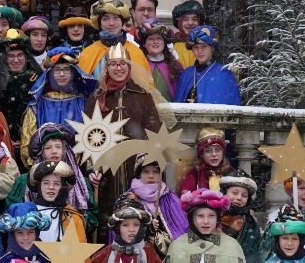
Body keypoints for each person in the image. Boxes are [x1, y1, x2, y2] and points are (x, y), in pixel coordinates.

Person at [85, 42, 165, 241]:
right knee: (106, 216)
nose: (118, 68)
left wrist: (148, 164)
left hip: (134, 166)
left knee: (135, 212)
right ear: (107, 67)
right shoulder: (96, 98)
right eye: (113, 64)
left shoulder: (142, 96)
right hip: (106, 171)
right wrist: (91, 168)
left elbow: (154, 132)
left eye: (123, 63)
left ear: (129, 67)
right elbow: (88, 137)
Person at [9, 123, 97, 231]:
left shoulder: (81, 182)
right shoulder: (23, 182)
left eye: (58, 146)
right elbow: (13, 213)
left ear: (65, 150)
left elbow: (91, 215)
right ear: (41, 151)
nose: (54, 151)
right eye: (48, 147)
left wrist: (73, 226)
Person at [20, 47, 96, 168]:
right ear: (50, 73)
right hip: (44, 174)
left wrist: (79, 167)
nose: (61, 74)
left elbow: (93, 140)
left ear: (73, 72)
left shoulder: (84, 103)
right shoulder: (37, 105)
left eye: (66, 70)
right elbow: (27, 144)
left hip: (77, 172)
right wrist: (40, 169)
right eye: (57, 70)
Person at [0, 29, 43, 157]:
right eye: (11, 56)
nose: (16, 60)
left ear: (26, 57)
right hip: (2, 143)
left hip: (33, 141)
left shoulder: (38, 80)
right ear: (4, 58)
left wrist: (26, 137)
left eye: (20, 55)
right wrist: (6, 138)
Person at [124, 156, 187, 250]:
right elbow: (121, 230)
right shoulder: (128, 198)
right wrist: (146, 228)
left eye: (155, 171)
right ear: (139, 174)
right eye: (145, 171)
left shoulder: (169, 197)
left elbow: (181, 234)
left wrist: (159, 242)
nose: (151, 176)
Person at [78, 0, 151, 76]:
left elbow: (147, 86)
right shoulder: (88, 53)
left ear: (122, 22)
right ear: (100, 23)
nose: (111, 23)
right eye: (105, 19)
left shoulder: (136, 52)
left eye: (116, 18)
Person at [173, 25, 241, 105]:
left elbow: (229, 108)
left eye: (204, 46)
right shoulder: (186, 73)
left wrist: (197, 104)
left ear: (212, 48)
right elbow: (177, 105)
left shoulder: (224, 73)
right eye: (195, 47)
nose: (200, 51)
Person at [27, 160, 87, 243]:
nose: (51, 187)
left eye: (56, 183)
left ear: (63, 187)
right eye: (46, 183)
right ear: (39, 185)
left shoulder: (72, 217)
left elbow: (80, 251)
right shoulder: (27, 213)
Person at [219, 169, 265, 263]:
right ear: (225, 192)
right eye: (234, 193)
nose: (239, 198)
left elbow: (251, 257)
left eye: (244, 195)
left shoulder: (250, 223)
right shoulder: (213, 216)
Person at [140, 18, 184, 101]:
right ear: (144, 43)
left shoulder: (175, 65)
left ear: (164, 42)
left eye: (159, 38)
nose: (155, 41)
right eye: (151, 38)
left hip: (171, 111)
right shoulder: (138, 63)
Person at [180, 127, 234, 194]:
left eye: (218, 150)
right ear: (202, 154)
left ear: (223, 152)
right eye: (208, 151)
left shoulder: (232, 174)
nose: (214, 154)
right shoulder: (194, 176)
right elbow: (185, 200)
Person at [170, 0, 206, 68]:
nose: (190, 23)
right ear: (179, 22)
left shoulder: (206, 44)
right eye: (185, 19)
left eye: (194, 19)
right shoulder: (170, 44)